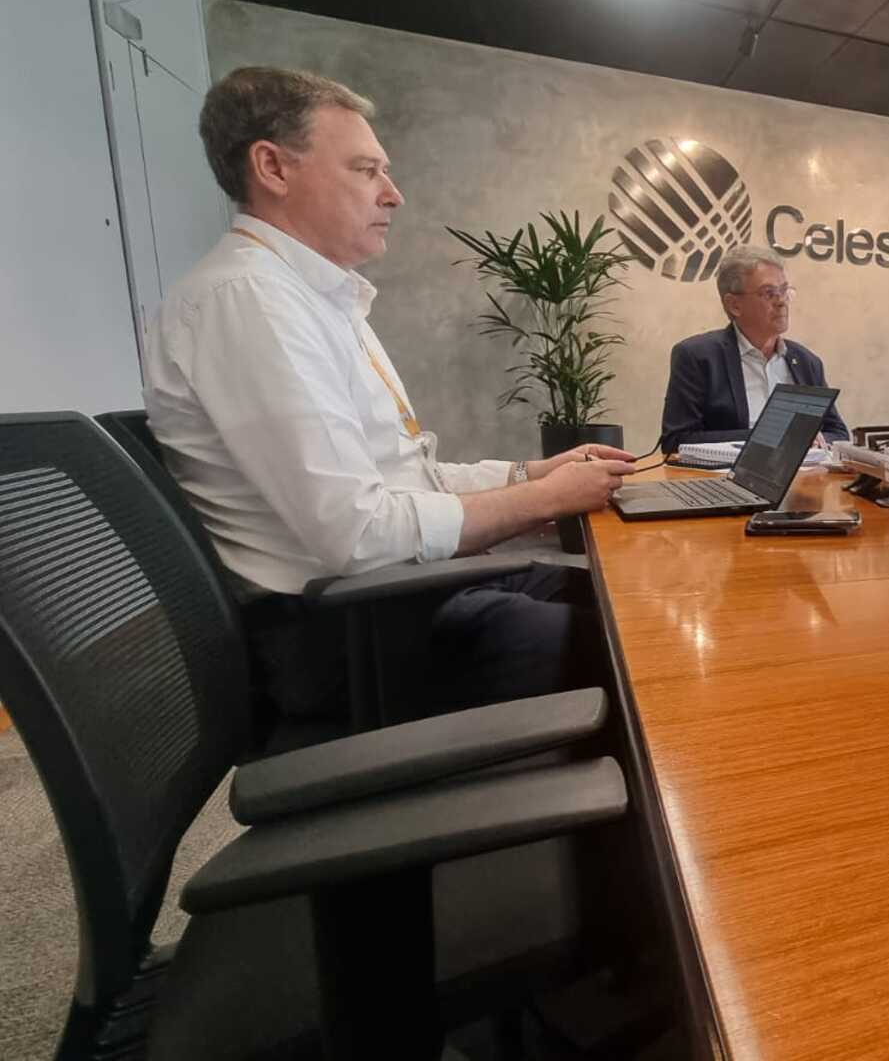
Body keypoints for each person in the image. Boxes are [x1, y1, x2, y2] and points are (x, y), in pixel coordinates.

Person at [146, 66, 638, 720]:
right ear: (273, 167)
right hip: (353, 640)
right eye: (366, 170)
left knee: (638, 602)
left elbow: (404, 478)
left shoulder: (312, 298)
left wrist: (527, 475)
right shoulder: (250, 301)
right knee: (644, 651)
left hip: (394, 601)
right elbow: (358, 533)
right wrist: (544, 499)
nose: (393, 194)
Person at [660, 246, 850, 453]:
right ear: (734, 305)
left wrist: (815, 438)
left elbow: (838, 433)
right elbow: (676, 440)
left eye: (784, 291)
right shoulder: (697, 357)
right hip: (727, 473)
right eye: (769, 293)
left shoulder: (806, 362)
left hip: (804, 472)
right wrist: (769, 436)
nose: (781, 302)